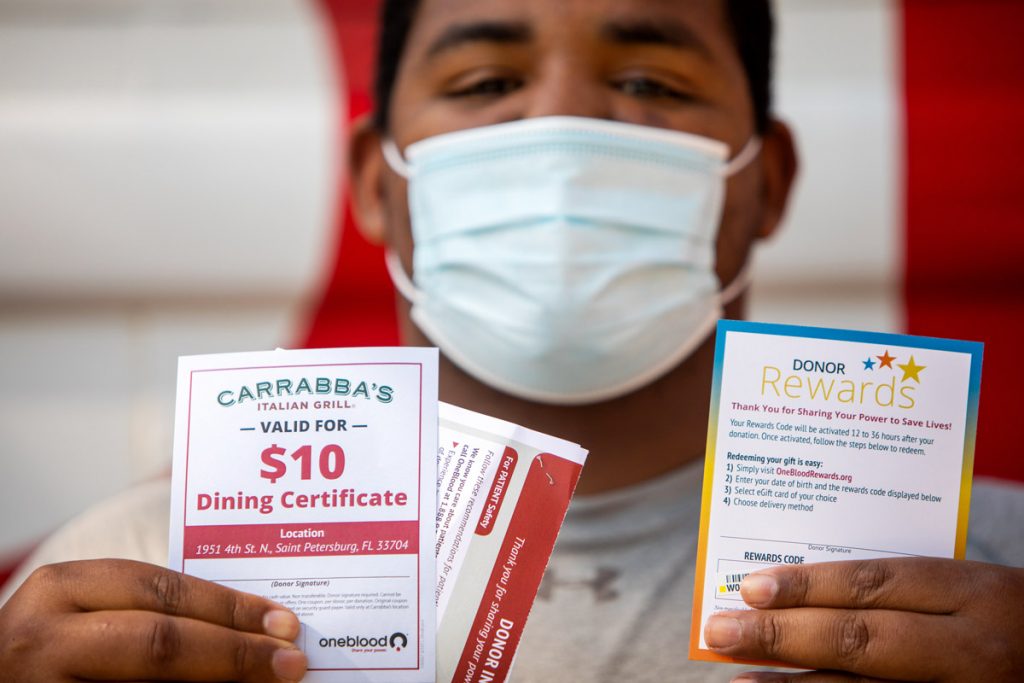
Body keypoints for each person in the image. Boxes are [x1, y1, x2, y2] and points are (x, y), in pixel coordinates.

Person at [1, 1, 1022, 681]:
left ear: (767, 180)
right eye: (485, 83)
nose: (564, 129)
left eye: (654, 85)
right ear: (374, 177)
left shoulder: (989, 582)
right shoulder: (135, 576)